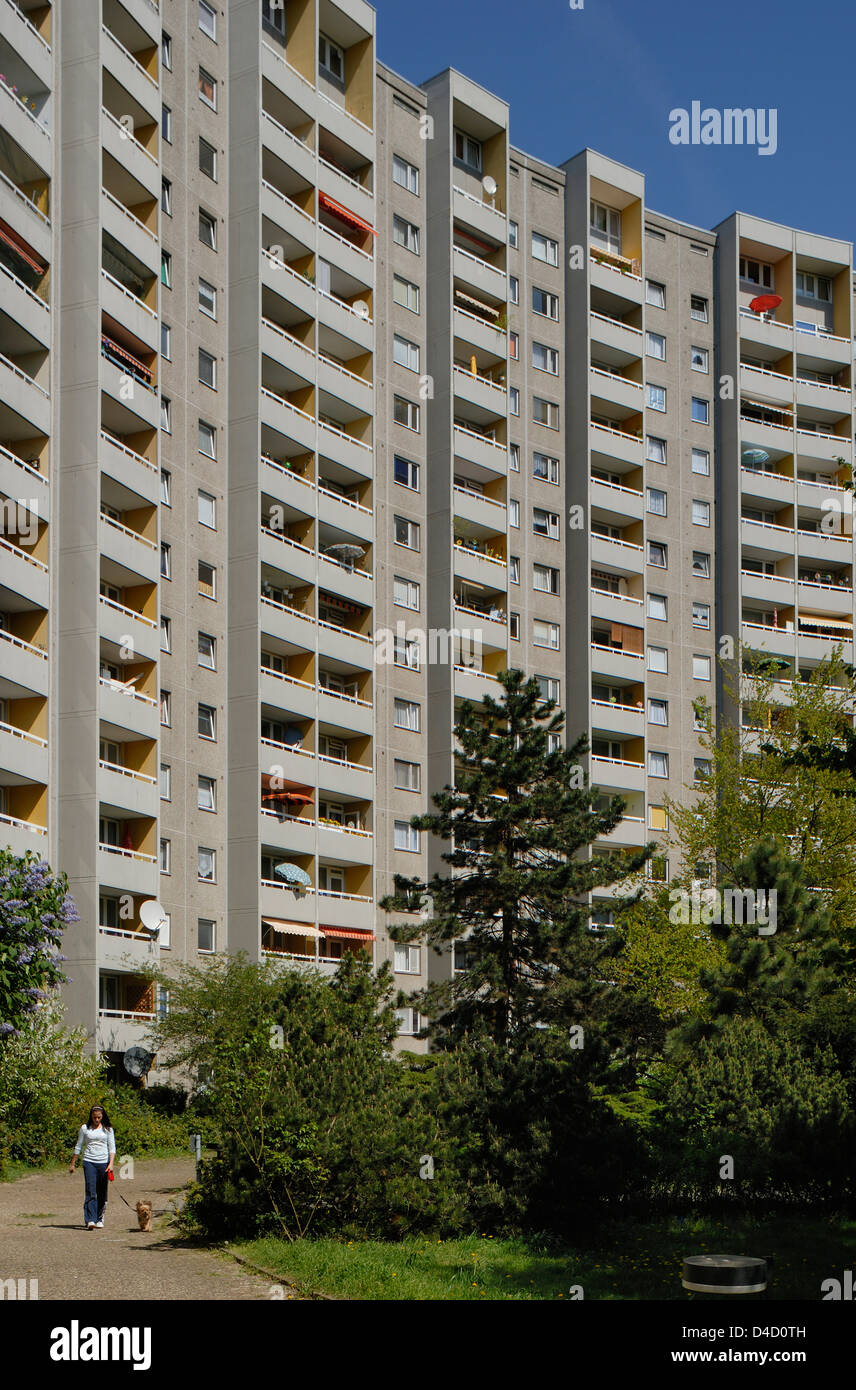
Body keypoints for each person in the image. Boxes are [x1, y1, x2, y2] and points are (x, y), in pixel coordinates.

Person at [69, 1105, 116, 1230]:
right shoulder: (85, 1128)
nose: (96, 1120)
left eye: (99, 1117)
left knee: (101, 1192)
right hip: (89, 1162)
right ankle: (90, 1219)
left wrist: (111, 1164)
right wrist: (73, 1163)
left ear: (102, 1116)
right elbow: (78, 1146)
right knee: (91, 1191)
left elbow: (112, 1148)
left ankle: (99, 1217)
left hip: (104, 1163)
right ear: (91, 1116)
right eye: (94, 1117)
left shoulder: (108, 1129)